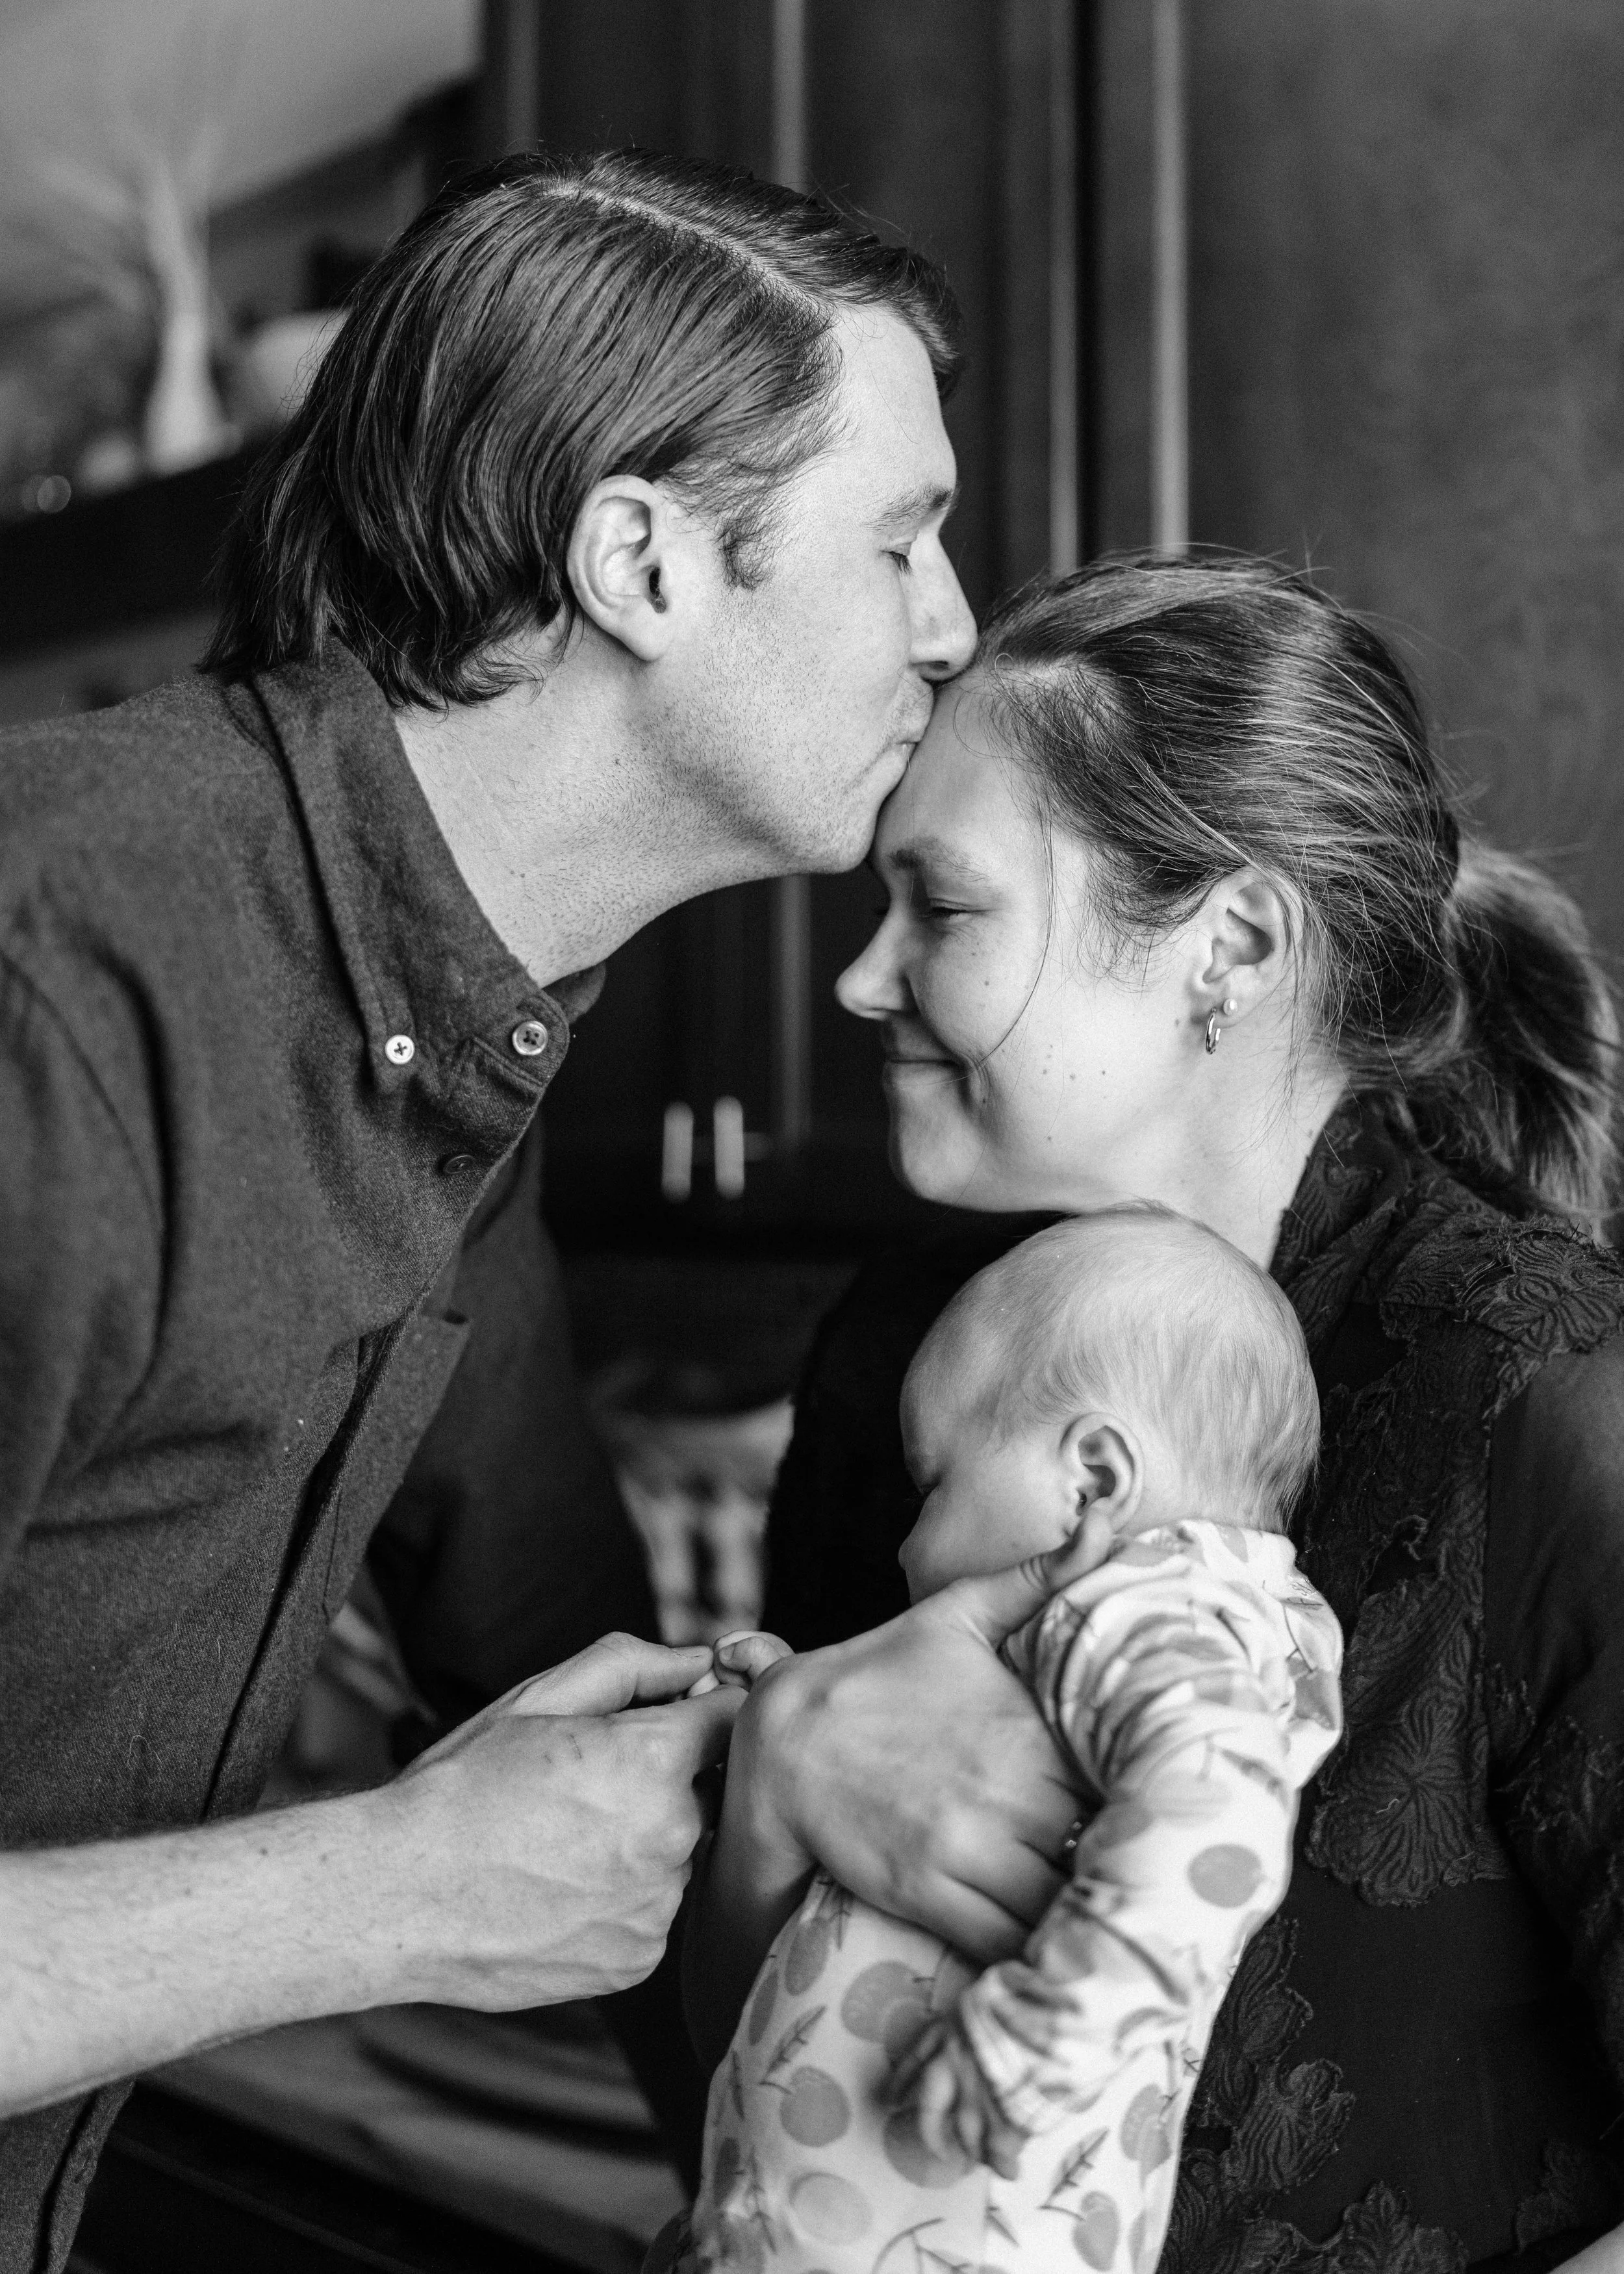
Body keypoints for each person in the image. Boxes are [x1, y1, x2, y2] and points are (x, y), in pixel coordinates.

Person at [0, 149, 1106, 2270]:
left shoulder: (459, 1040)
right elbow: (463, 1857)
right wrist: (401, 1889)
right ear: (641, 558)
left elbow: (555, 1654)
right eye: (902, 541)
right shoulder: (64, 980)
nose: (958, 630)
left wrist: (813, 1766)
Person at [740, 557, 1624, 2269]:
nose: (857, 977)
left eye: (942, 906)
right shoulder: (899, 1347)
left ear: (1223, 949)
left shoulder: (1539, 1397)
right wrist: (776, 1770)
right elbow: (756, 2077)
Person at [662, 1208, 1343, 2273]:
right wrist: (794, 1716)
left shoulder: (1145, 1607)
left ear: (1095, 1483)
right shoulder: (1100, 1638)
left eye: (931, 1487)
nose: (903, 1545)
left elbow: (1220, 1823)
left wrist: (1040, 2041)